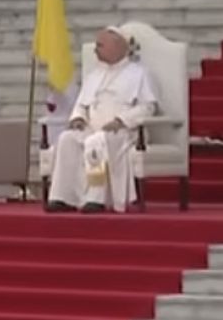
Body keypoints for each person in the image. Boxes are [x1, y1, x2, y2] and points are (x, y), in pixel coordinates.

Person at [47, 26, 160, 214]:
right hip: (93, 128)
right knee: (67, 139)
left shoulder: (139, 74)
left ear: (118, 47)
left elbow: (148, 107)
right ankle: (63, 197)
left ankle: (95, 198)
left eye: (100, 45)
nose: (95, 50)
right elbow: (81, 104)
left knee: (96, 142)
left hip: (123, 133)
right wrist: (78, 118)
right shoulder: (94, 75)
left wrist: (121, 120)